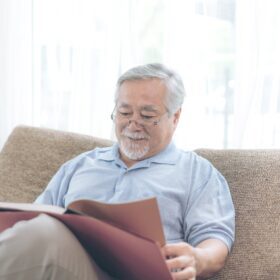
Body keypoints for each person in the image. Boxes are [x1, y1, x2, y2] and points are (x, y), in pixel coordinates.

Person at [0, 63, 235, 280]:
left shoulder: (197, 172)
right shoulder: (81, 165)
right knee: (40, 230)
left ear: (175, 117)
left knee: (44, 233)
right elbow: (32, 221)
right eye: (124, 112)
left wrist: (197, 258)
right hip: (70, 267)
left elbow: (215, 240)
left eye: (147, 115)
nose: (133, 124)